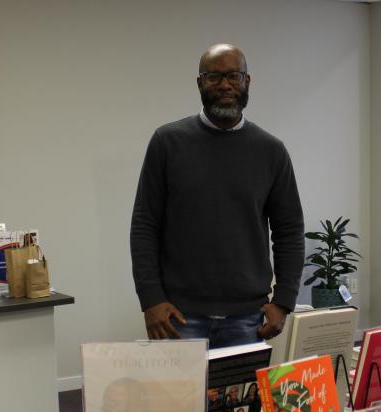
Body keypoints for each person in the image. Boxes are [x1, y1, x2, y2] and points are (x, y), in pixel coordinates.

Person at [130, 43, 304, 349]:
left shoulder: (271, 151)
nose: (225, 85)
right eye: (214, 77)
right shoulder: (167, 142)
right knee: (179, 399)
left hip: (248, 318)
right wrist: (151, 300)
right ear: (200, 83)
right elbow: (145, 225)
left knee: (239, 400)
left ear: (247, 82)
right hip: (177, 315)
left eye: (234, 76)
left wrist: (284, 302)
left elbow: (289, 231)